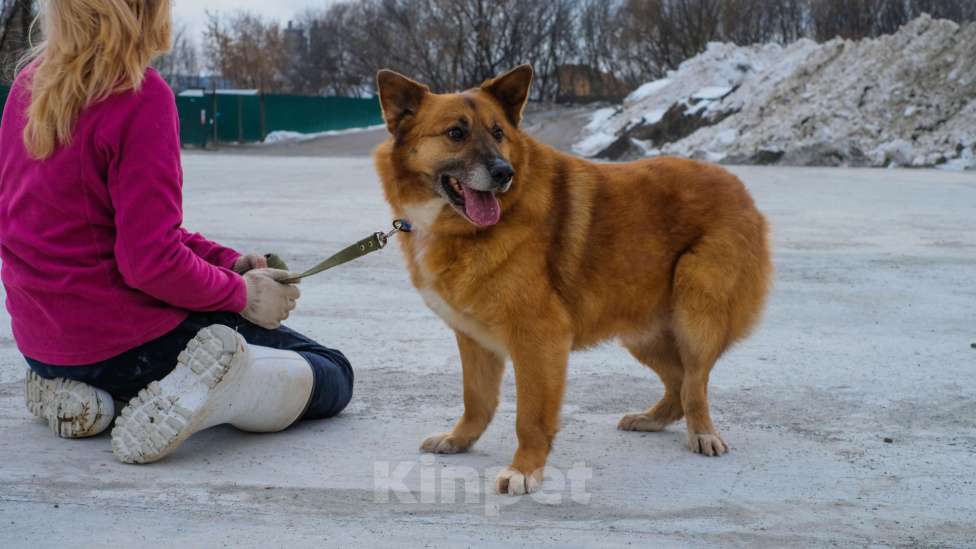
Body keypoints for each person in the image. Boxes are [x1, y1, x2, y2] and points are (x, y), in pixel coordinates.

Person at [0, 0, 353, 464]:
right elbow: (150, 262)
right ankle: (213, 394)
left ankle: (86, 397)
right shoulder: (139, 95)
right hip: (126, 346)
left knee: (123, 366)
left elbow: (119, 231)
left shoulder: (28, 89)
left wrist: (228, 264)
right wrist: (242, 296)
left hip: (44, 347)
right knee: (334, 374)